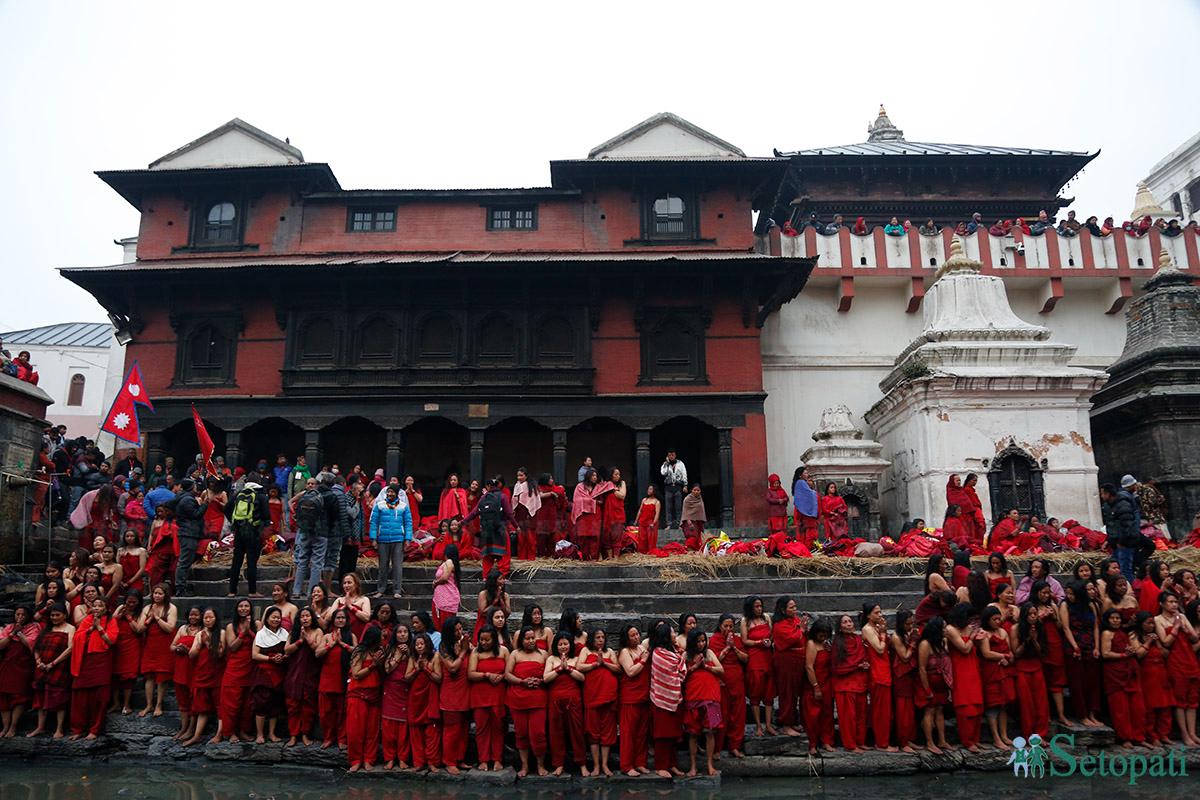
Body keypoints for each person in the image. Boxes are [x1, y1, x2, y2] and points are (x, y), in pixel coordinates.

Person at [1155, 592, 1200, 746]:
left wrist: (1185, 628)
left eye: (1175, 601)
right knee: (1180, 700)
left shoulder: (1182, 616)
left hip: (1190, 659)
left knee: (1193, 699)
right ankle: (1184, 734)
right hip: (1175, 661)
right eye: (1170, 602)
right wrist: (1175, 627)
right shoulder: (1158, 620)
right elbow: (1166, 642)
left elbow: (1194, 637)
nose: (1173, 604)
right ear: (1162, 604)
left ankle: (1193, 733)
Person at [506, 626, 549, 777]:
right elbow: (507, 675)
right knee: (521, 733)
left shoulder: (543, 654)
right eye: (527, 638)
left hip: (538, 699)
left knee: (538, 733)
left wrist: (541, 680)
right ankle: (524, 766)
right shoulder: (515, 654)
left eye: (533, 638)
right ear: (521, 640)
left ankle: (540, 765)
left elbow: (550, 674)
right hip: (518, 698)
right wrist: (522, 681)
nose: (531, 641)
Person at [1099, 608, 1145, 746]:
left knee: (1138, 707)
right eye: (1112, 618)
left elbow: (1130, 649)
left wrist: (1130, 650)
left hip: (1129, 671)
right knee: (1120, 708)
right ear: (1107, 620)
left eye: (1118, 618)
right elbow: (1105, 653)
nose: (1115, 620)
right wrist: (1123, 655)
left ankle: (1139, 736)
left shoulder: (1124, 632)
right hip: (1115, 673)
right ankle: (1125, 738)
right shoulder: (1107, 633)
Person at [27, 603, 73, 739]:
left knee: (59, 698)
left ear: (65, 615)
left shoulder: (70, 628)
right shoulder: (46, 629)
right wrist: (38, 661)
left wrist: (53, 663)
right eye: (52, 615)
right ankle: (40, 727)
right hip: (42, 667)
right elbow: (36, 647)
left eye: (57, 615)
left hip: (59, 666)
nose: (54, 617)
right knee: (40, 697)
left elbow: (70, 649)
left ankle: (59, 729)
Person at [213, 598, 256, 743]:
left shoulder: (256, 624)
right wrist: (243, 633)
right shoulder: (232, 626)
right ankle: (230, 732)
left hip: (251, 667)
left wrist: (249, 629)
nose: (244, 609)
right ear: (237, 609)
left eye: (246, 606)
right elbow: (232, 646)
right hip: (235, 668)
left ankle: (243, 731)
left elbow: (260, 642)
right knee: (232, 703)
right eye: (241, 606)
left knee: (247, 703)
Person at [544, 630, 586, 776]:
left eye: (565, 644)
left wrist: (568, 669)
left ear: (570, 645)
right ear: (556, 645)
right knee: (556, 732)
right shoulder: (551, 659)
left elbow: (582, 678)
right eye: (560, 644)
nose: (563, 646)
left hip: (573, 699)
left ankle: (582, 763)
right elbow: (546, 678)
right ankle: (558, 764)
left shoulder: (576, 658)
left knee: (577, 732)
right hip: (555, 699)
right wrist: (559, 669)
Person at [579, 628, 621, 776]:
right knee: (593, 733)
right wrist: (595, 664)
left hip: (608, 697)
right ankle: (596, 765)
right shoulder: (586, 650)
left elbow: (618, 669)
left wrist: (604, 663)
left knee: (608, 733)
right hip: (592, 697)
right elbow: (579, 666)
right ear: (592, 639)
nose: (600, 640)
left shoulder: (609, 651)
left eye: (603, 637)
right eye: (597, 637)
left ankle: (605, 765)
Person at [682, 628, 723, 777]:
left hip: (710, 695)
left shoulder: (709, 653)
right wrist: (694, 667)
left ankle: (709, 765)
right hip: (693, 695)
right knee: (693, 733)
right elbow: (681, 675)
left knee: (710, 732)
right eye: (698, 641)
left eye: (703, 641)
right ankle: (693, 767)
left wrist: (706, 666)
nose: (701, 644)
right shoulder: (685, 655)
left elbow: (721, 670)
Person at [648, 620, 686, 778]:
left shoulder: (673, 651)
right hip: (662, 699)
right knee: (663, 736)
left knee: (674, 735)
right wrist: (682, 658)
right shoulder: (658, 653)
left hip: (675, 699)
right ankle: (660, 766)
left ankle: (672, 764)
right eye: (672, 632)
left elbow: (680, 670)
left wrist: (681, 656)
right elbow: (676, 672)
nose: (675, 635)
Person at [468, 625, 509, 772]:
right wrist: (487, 675)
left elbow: (510, 671)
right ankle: (483, 760)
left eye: (487, 640)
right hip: (480, 695)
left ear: (494, 639)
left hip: (498, 694)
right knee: (482, 728)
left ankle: (497, 759)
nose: (484, 642)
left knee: (498, 728)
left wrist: (502, 676)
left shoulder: (503, 651)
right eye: (481, 640)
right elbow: (471, 674)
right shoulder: (476, 652)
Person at [945, 603, 984, 752]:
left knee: (977, 703)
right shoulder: (950, 629)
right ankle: (967, 741)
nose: (971, 621)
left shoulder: (969, 628)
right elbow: (964, 648)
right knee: (965, 704)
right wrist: (973, 635)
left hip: (973, 666)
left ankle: (975, 738)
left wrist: (978, 637)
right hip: (960, 668)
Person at [134, 583, 177, 717]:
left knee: (162, 676)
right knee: (149, 676)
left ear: (165, 595)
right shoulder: (147, 607)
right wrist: (149, 618)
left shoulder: (171, 607)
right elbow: (139, 629)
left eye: (160, 593)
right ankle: (149, 705)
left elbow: (170, 628)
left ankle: (159, 705)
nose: (157, 596)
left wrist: (157, 617)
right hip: (150, 644)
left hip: (164, 645)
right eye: (155, 593)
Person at [345, 625, 384, 771]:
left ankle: (369, 759)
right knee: (355, 730)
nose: (382, 638)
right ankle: (355, 759)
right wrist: (373, 665)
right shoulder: (359, 652)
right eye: (380, 636)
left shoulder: (380, 652)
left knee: (372, 730)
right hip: (357, 694)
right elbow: (356, 674)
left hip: (374, 694)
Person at [182, 607, 223, 746]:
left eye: (211, 617)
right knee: (201, 706)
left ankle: (219, 733)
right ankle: (196, 735)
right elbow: (192, 655)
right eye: (206, 618)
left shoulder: (221, 633)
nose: (208, 620)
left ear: (216, 619)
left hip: (216, 673)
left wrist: (207, 642)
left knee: (219, 705)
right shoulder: (200, 634)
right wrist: (197, 645)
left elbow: (220, 654)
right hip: (202, 672)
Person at [461, 477, 517, 578]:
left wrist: (463, 522)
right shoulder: (503, 497)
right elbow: (509, 514)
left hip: (486, 531)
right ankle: (502, 576)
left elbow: (474, 512)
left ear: (488, 486)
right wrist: (516, 526)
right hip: (500, 530)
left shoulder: (483, 498)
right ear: (498, 485)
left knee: (487, 555)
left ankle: (485, 577)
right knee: (504, 553)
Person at [315, 608, 354, 749]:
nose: (341, 620)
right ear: (333, 620)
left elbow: (357, 653)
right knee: (326, 712)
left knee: (342, 711)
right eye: (338, 618)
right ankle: (328, 737)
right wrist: (331, 644)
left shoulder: (351, 636)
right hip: (327, 679)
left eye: (343, 618)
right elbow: (318, 653)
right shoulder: (326, 636)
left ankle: (342, 738)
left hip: (343, 678)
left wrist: (342, 644)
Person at [283, 607, 322, 747]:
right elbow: (286, 649)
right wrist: (299, 641)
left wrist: (307, 638)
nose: (305, 618)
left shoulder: (318, 631)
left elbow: (318, 650)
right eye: (302, 616)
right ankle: (293, 735)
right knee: (293, 706)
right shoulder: (293, 633)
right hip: (294, 674)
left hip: (310, 674)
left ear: (312, 618)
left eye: (307, 616)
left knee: (308, 706)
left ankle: (305, 734)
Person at [1011, 602, 1050, 740]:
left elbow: (1042, 652)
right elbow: (1016, 653)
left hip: (1036, 665)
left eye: (1035, 614)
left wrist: (1034, 640)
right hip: (1022, 667)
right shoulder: (1016, 628)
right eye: (1030, 614)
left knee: (1041, 703)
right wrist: (1027, 639)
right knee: (1026, 704)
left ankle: (1041, 734)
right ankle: (1028, 735)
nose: (1033, 617)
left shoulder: (1040, 627)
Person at [978, 606, 1015, 750]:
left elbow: (1011, 652)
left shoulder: (1003, 632)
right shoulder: (983, 633)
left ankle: (1004, 735)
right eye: (995, 619)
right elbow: (986, 653)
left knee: (1004, 704)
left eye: (999, 618)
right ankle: (996, 738)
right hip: (990, 672)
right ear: (987, 620)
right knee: (993, 705)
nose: (998, 621)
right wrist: (1003, 656)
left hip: (1004, 671)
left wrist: (1008, 658)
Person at [832, 613, 870, 750]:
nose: (849, 623)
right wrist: (856, 666)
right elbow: (837, 667)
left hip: (859, 682)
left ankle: (860, 742)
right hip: (845, 685)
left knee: (861, 716)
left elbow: (863, 657)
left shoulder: (858, 639)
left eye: (850, 621)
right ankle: (850, 745)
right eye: (845, 622)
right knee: (848, 718)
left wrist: (865, 665)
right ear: (840, 628)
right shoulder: (837, 643)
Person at [224, 479, 269, 597]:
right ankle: (252, 591)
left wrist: (235, 522)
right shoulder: (261, 497)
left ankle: (232, 591)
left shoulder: (238, 495)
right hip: (253, 533)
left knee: (236, 561)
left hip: (239, 531)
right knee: (251, 562)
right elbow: (266, 515)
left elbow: (226, 508)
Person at [861, 603, 895, 751]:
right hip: (877, 672)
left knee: (885, 709)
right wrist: (882, 634)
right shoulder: (867, 629)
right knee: (881, 710)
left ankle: (883, 741)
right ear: (868, 615)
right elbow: (880, 649)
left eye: (880, 612)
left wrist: (883, 632)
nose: (880, 615)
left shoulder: (876, 627)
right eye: (876, 613)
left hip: (884, 670)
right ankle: (882, 743)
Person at [0, 606, 38, 737]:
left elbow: (31, 645)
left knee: (19, 696)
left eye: (23, 614)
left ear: (28, 616)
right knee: (3, 696)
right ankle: (5, 727)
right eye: (17, 614)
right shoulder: (9, 627)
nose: (20, 617)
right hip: (7, 665)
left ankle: (13, 726)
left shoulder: (34, 628)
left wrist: (20, 633)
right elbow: (1, 645)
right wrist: (12, 634)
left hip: (23, 666)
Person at [771, 596, 806, 737]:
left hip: (799, 660)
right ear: (783, 610)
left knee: (796, 692)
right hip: (786, 661)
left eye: (795, 606)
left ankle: (792, 720)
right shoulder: (779, 625)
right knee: (787, 693)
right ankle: (786, 723)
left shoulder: (796, 620)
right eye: (791, 607)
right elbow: (791, 639)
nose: (795, 609)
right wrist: (802, 629)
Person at [916, 616, 951, 754]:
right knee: (929, 710)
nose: (946, 630)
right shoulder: (925, 644)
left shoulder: (942, 642)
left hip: (942, 682)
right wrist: (927, 689)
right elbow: (922, 668)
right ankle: (930, 742)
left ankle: (942, 740)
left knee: (940, 710)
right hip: (929, 682)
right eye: (943, 627)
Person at [370, 485, 413, 598]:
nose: (390, 494)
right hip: (382, 539)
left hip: (398, 539)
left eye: (392, 492)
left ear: (397, 493)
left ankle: (397, 590)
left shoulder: (403, 506)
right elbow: (374, 522)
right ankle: (381, 589)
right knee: (383, 566)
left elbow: (408, 523)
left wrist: (408, 539)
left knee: (397, 566)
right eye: (388, 492)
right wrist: (373, 538)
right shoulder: (379, 505)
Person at [379, 622, 412, 770]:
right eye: (399, 632)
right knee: (388, 728)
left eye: (405, 632)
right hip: (391, 690)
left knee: (403, 728)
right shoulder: (390, 649)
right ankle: (390, 758)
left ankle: (403, 758)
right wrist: (399, 655)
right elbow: (387, 669)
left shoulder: (414, 648)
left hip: (407, 690)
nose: (403, 634)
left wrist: (408, 653)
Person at [890, 611, 919, 753]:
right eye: (907, 624)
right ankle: (902, 741)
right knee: (903, 711)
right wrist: (913, 643)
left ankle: (909, 739)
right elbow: (905, 657)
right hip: (901, 676)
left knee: (910, 711)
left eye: (911, 623)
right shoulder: (896, 637)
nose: (910, 626)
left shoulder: (908, 633)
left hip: (910, 676)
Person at [1100, 483, 1141, 582]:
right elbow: (1111, 526)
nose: (1101, 496)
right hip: (1116, 543)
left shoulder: (1123, 504)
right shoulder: (1108, 506)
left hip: (1124, 544)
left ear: (1108, 494)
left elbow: (1127, 525)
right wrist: (1108, 540)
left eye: (1102, 493)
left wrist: (1122, 542)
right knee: (1117, 569)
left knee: (1125, 570)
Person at [171, 479, 205, 596]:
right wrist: (205, 504)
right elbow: (195, 514)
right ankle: (180, 588)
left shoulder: (184, 498)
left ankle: (182, 586)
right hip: (188, 532)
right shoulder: (187, 500)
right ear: (191, 487)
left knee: (186, 561)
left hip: (189, 532)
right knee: (184, 561)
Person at [571, 470, 612, 561]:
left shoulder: (598, 488)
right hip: (583, 515)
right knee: (583, 536)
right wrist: (593, 501)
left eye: (596, 476)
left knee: (595, 536)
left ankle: (594, 557)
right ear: (588, 476)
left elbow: (602, 500)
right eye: (593, 475)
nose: (594, 477)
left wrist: (595, 501)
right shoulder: (580, 487)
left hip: (595, 514)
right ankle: (586, 558)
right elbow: (577, 500)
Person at [512, 468, 541, 561]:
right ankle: (522, 557)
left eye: (521, 475)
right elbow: (514, 500)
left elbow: (533, 501)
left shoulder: (531, 486)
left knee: (530, 537)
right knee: (521, 537)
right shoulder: (517, 485)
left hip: (529, 514)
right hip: (520, 514)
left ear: (526, 476)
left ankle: (531, 558)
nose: (519, 477)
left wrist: (529, 512)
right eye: (518, 475)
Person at [432, 545, 461, 630]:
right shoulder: (451, 563)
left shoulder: (449, 562)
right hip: (442, 598)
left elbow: (444, 578)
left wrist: (435, 583)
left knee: (445, 627)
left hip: (446, 599)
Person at [601, 468, 628, 559]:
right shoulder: (606, 484)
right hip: (607, 514)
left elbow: (622, 495)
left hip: (618, 513)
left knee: (617, 534)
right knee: (607, 535)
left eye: (619, 474)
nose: (618, 476)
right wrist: (609, 487)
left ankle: (616, 557)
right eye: (616, 474)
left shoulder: (622, 483)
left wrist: (612, 490)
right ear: (611, 475)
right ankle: (609, 557)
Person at [660, 450, 687, 529]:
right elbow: (663, 473)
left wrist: (685, 484)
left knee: (678, 506)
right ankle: (669, 524)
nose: (671, 456)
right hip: (668, 487)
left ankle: (679, 524)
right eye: (669, 455)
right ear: (667, 456)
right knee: (668, 507)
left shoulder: (680, 463)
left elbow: (684, 473)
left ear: (675, 455)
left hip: (678, 486)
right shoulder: (665, 464)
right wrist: (667, 463)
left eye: (672, 455)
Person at [791, 467, 818, 546]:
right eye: (805, 473)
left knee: (803, 530)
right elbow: (809, 495)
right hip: (805, 512)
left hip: (801, 510)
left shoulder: (798, 483)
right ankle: (807, 546)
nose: (807, 475)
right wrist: (814, 492)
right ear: (800, 475)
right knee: (808, 530)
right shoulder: (801, 483)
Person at [635, 485, 662, 553]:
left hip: (651, 523)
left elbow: (657, 514)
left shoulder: (657, 502)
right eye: (648, 489)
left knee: (651, 539)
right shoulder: (644, 500)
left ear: (654, 491)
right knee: (642, 538)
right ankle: (642, 552)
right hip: (642, 522)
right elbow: (640, 511)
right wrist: (636, 520)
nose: (648, 490)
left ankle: (650, 552)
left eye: (650, 489)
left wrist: (653, 523)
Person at [681, 484, 707, 551]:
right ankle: (687, 548)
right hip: (689, 522)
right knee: (692, 537)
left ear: (700, 491)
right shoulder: (687, 499)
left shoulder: (700, 499)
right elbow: (685, 511)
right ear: (691, 490)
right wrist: (688, 521)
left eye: (698, 490)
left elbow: (701, 511)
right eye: (694, 490)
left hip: (698, 522)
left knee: (698, 537)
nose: (696, 491)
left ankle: (694, 551)